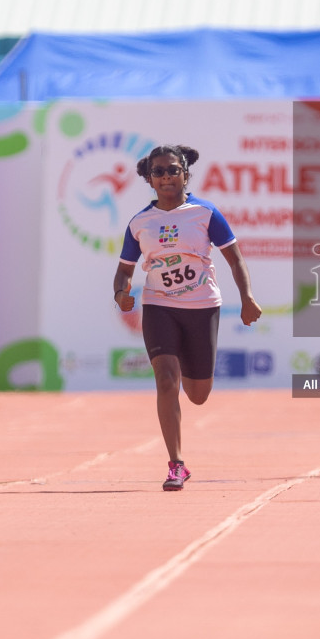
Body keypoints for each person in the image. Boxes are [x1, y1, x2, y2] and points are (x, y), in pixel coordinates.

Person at [113, 144, 261, 491]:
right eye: (159, 171)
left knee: (197, 394)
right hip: (159, 306)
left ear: (185, 173)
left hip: (202, 307)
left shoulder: (206, 214)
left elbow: (235, 259)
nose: (167, 176)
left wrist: (247, 298)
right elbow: (123, 272)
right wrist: (121, 294)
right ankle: (176, 464)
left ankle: (191, 371)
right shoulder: (140, 223)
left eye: (173, 170)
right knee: (166, 380)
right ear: (149, 179)